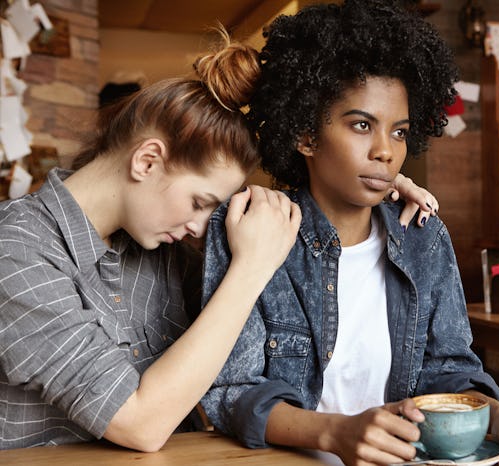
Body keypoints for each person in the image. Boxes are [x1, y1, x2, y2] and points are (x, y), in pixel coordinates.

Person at [0, 27, 439, 452]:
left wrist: (375, 183)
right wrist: (251, 268)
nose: (200, 225)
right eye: (199, 201)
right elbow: (139, 423)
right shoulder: (15, 249)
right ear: (148, 160)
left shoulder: (159, 248)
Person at [199, 2, 499, 466]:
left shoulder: (424, 238)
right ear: (306, 135)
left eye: (400, 132)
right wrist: (337, 433)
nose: (385, 152)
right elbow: (233, 394)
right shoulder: (247, 230)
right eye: (361, 125)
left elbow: (448, 371)